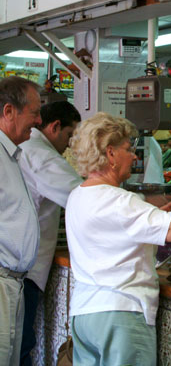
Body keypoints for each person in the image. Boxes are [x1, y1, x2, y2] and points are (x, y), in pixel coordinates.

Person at [66, 112, 171, 365]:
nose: (134, 156)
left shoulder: (77, 196)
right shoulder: (118, 200)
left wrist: (153, 219)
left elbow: (115, 233)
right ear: (110, 154)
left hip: (84, 315)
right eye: (128, 149)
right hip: (120, 315)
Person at [18, 101, 83, 366]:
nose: (69, 144)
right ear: (55, 126)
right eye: (69, 135)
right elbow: (84, 199)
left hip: (21, 263)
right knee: (20, 343)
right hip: (24, 268)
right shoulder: (42, 156)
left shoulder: (24, 148)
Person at [0, 76, 42, 366]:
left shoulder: (11, 154)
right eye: (35, 112)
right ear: (8, 111)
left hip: (14, 283)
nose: (39, 120)